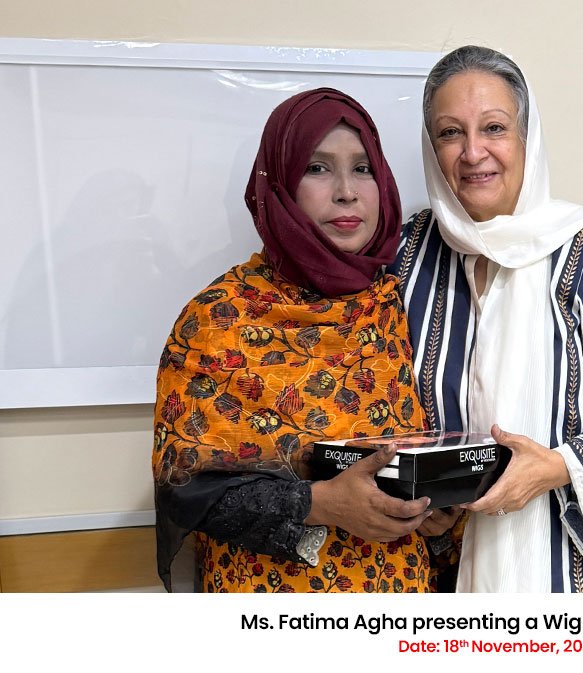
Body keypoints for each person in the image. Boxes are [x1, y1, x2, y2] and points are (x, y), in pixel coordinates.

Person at [390, 46, 583, 592]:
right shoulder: (411, 254)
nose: (473, 152)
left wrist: (557, 468)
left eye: (494, 128)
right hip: (451, 571)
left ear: (526, 136)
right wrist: (426, 505)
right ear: (430, 147)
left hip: (578, 582)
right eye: (450, 133)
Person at [153, 88, 456, 593]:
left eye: (363, 168)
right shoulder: (219, 319)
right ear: (279, 186)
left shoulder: (398, 308)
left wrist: (434, 517)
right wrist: (320, 504)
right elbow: (182, 487)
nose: (346, 192)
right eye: (317, 168)